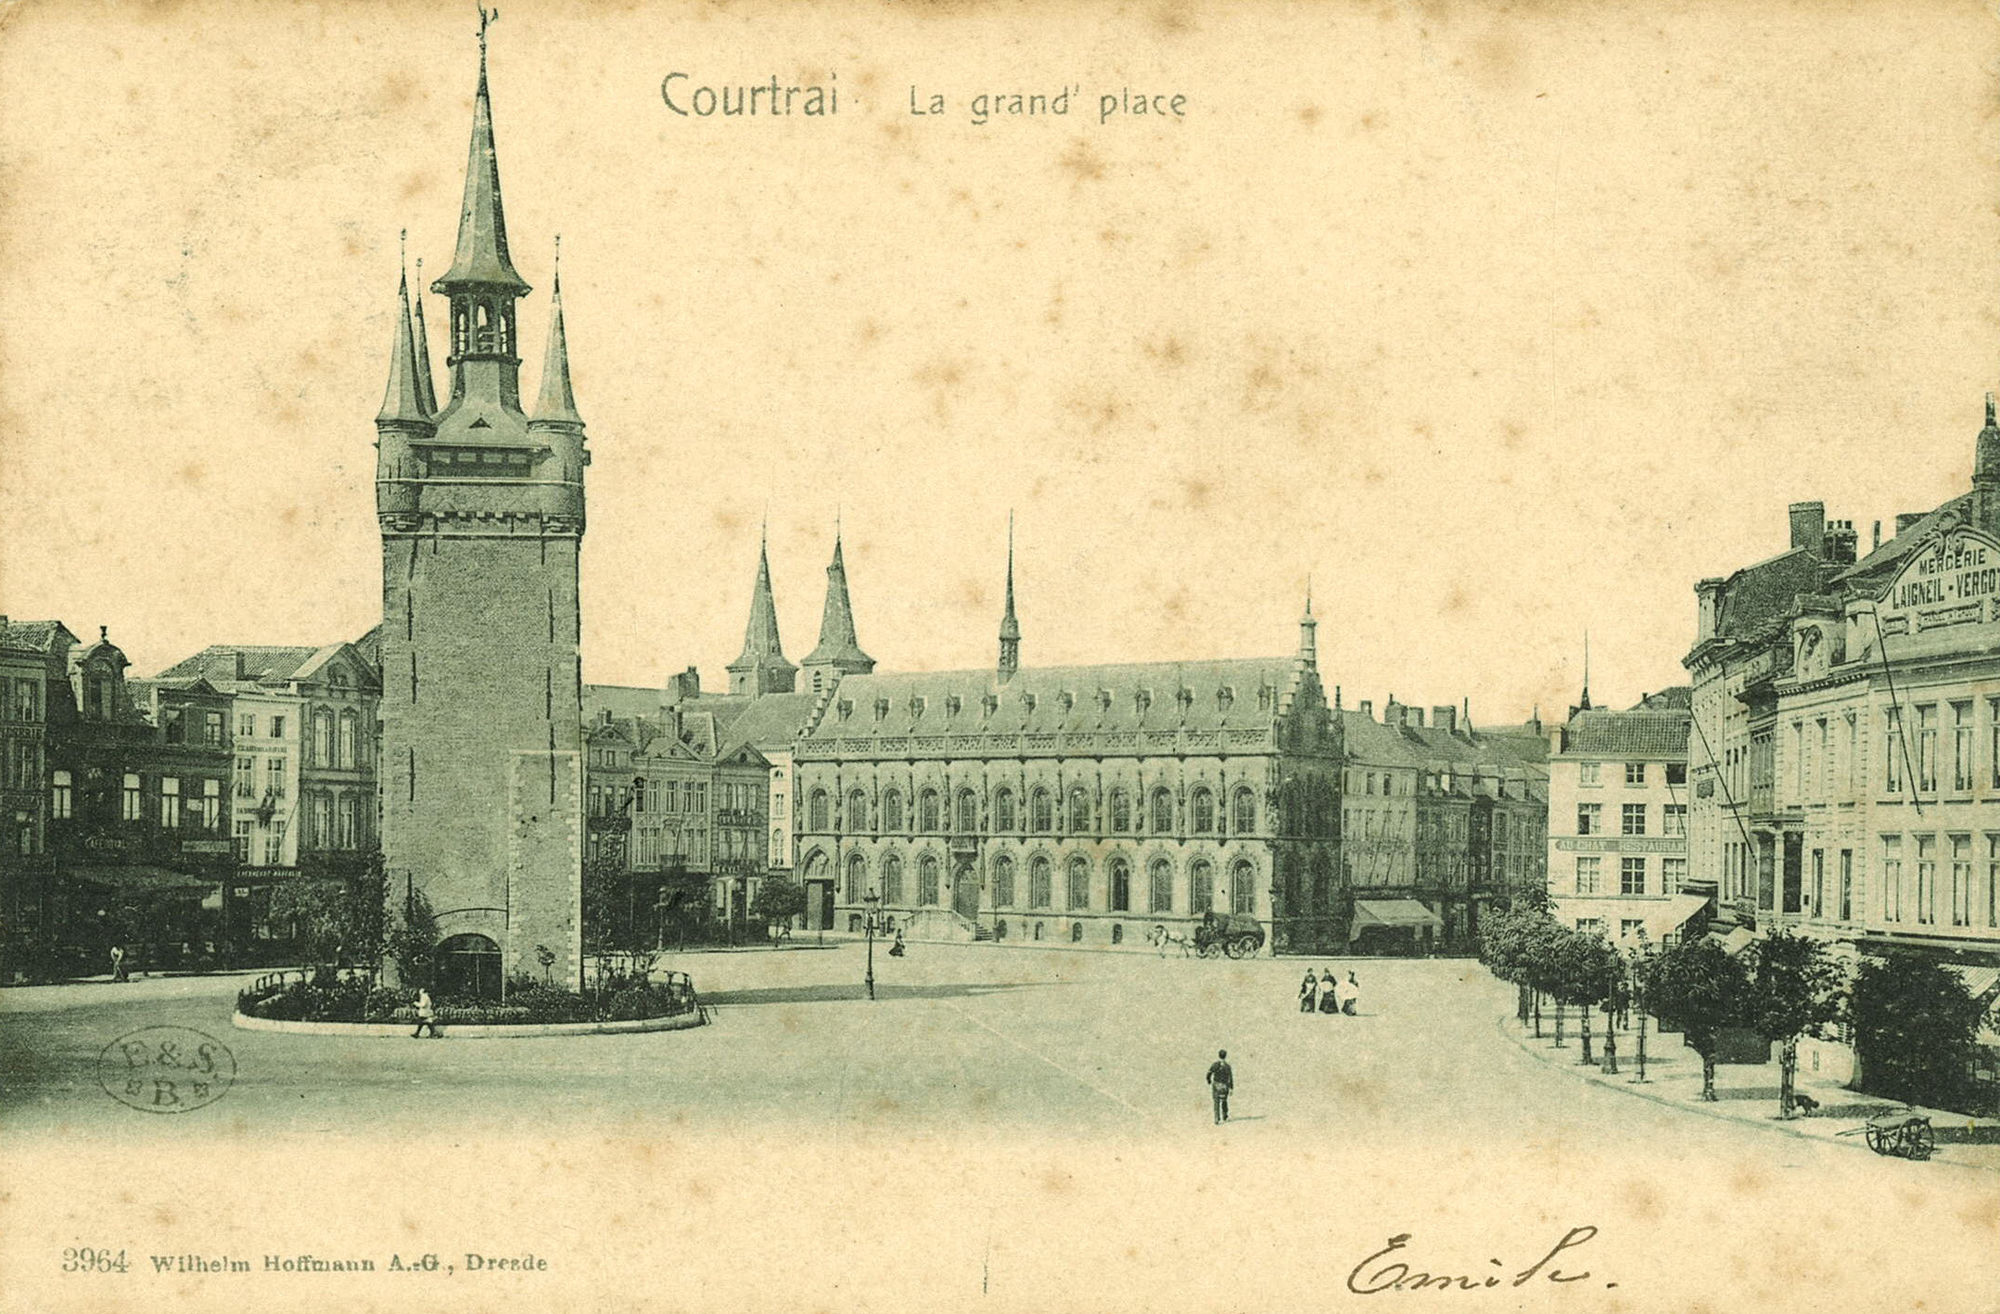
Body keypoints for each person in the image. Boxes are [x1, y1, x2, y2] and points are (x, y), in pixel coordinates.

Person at [1205, 1049, 1234, 1124]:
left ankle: (1216, 1118)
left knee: (1216, 1101)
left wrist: (1209, 1081)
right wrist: (1231, 1088)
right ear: (1225, 1056)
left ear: (1219, 1055)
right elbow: (1230, 1078)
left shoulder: (1215, 1064)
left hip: (1216, 1085)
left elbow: (1209, 1073)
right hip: (1224, 1086)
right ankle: (1225, 1115)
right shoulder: (1227, 1066)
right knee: (1224, 1100)